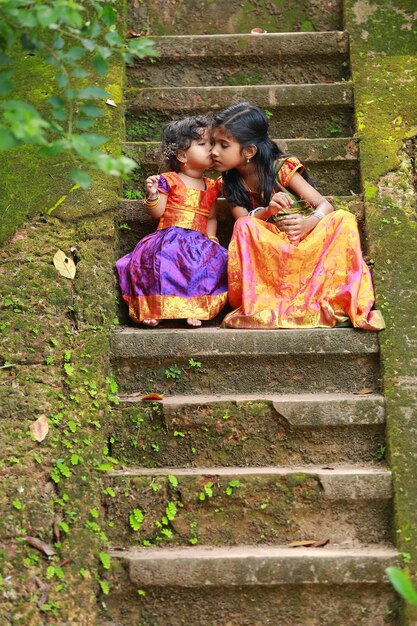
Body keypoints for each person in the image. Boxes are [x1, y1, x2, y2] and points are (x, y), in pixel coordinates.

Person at [211, 102, 384, 330]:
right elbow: (243, 222)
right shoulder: (228, 183)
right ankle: (265, 303)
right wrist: (269, 211)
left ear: (249, 151)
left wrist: (308, 224)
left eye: (223, 145)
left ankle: (335, 299)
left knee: (343, 218)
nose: (213, 151)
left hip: (307, 240)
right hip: (273, 249)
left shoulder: (280, 168)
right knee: (244, 225)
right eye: (213, 143)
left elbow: (323, 204)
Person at [116, 115, 228, 327]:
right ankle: (153, 308)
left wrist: (212, 237)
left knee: (208, 262)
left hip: (199, 239)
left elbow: (211, 216)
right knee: (160, 260)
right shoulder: (170, 180)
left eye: (212, 144)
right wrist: (152, 194)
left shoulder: (212, 186)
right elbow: (158, 212)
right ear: (182, 156)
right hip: (170, 235)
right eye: (203, 144)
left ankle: (194, 307)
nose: (211, 150)